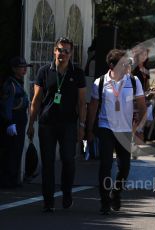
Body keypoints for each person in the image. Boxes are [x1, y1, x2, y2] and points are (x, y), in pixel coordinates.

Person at [27, 37, 86, 212]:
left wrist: (82, 126)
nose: (63, 54)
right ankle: (48, 200)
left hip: (68, 124)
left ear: (71, 53)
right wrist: (31, 123)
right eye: (60, 50)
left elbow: (82, 102)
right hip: (47, 124)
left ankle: (67, 193)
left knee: (68, 160)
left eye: (67, 51)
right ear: (54, 51)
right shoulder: (44, 71)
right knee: (48, 163)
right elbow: (36, 100)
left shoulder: (77, 73)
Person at [86, 49, 146, 215]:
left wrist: (139, 128)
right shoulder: (100, 82)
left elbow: (142, 105)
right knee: (105, 165)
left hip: (125, 129)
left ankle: (116, 192)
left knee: (125, 167)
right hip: (106, 127)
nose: (127, 66)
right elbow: (93, 107)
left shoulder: (133, 81)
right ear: (112, 65)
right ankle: (105, 201)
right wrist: (89, 130)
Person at [0, 57, 31, 188]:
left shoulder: (18, 82)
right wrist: (9, 122)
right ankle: (7, 180)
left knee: (17, 150)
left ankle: (13, 178)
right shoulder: (10, 84)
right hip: (14, 119)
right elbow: (6, 105)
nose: (24, 69)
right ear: (14, 69)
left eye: (25, 67)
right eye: (21, 67)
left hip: (20, 119)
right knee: (11, 151)